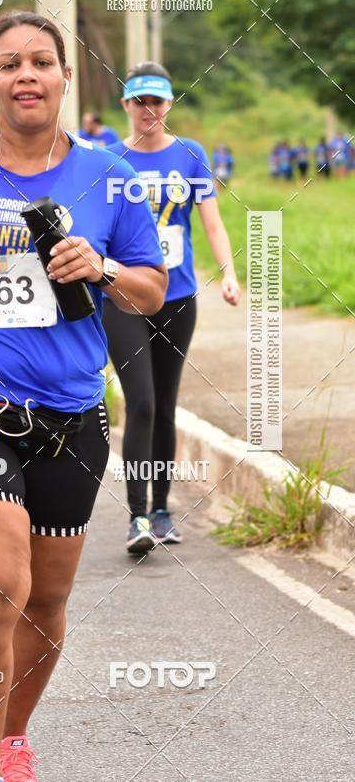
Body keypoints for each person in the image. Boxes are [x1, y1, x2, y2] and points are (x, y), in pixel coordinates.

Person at [0, 10, 167, 782]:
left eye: (40, 62)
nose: (25, 75)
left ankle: (12, 738)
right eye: (8, 63)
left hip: (71, 417)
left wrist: (103, 268)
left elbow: (150, 289)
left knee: (44, 602)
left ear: (64, 78)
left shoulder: (110, 175)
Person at [104, 61, 241, 554]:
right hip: (122, 294)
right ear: (125, 106)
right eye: (139, 101)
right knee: (139, 401)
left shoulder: (190, 155)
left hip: (178, 296)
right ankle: (137, 515)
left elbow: (212, 223)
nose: (148, 111)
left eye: (156, 101)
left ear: (169, 105)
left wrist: (228, 274)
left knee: (164, 405)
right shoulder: (108, 159)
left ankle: (162, 510)